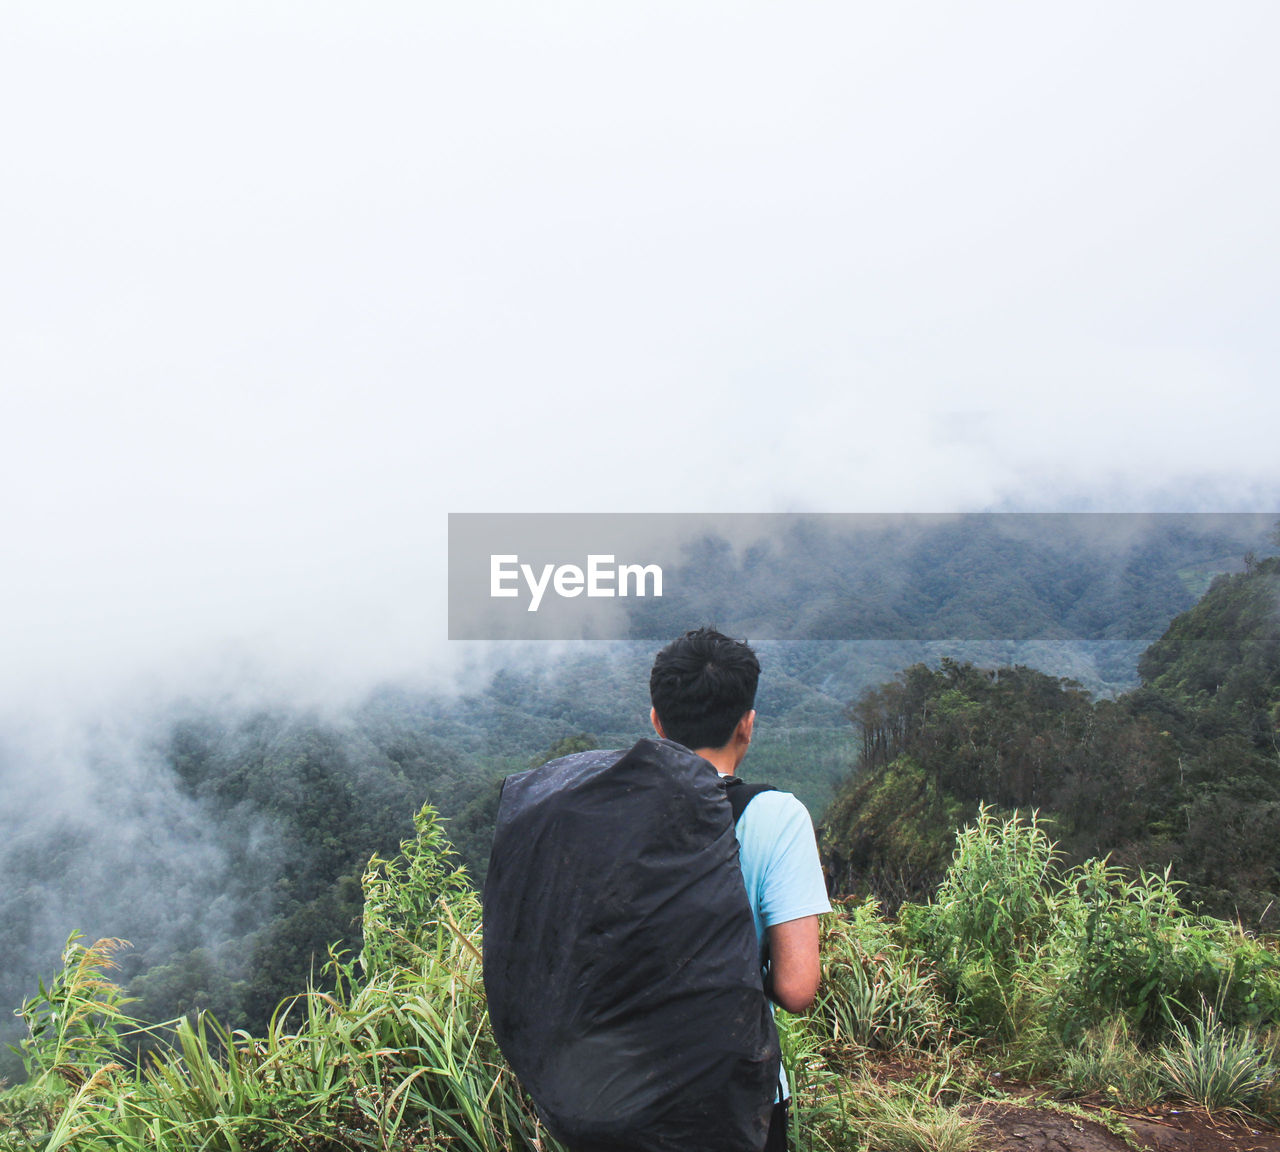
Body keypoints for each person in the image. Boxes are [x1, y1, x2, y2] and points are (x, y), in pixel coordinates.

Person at [649, 627, 831, 1152]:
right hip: (736, 1089)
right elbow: (798, 989)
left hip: (622, 1083)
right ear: (746, 725)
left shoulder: (605, 811)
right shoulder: (777, 816)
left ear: (658, 722)